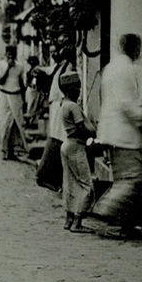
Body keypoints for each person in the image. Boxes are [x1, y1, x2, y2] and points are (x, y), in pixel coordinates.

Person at [93, 34, 142, 234]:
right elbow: (126, 103)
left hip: (111, 131)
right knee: (134, 178)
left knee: (123, 178)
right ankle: (105, 209)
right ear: (134, 49)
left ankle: (122, 224)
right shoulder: (126, 69)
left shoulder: (111, 67)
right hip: (124, 134)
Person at [58, 72, 96, 232]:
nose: (79, 90)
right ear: (70, 88)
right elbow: (81, 128)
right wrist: (93, 133)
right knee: (87, 185)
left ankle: (69, 219)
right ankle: (78, 222)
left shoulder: (64, 104)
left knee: (70, 184)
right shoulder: (73, 106)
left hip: (67, 145)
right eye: (77, 87)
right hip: (76, 146)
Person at [36, 45, 75, 190]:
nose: (53, 54)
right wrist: (40, 69)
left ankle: (51, 176)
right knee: (55, 138)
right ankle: (47, 176)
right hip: (55, 105)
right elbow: (49, 70)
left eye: (56, 51)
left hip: (61, 104)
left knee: (59, 140)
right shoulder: (60, 66)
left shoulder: (69, 67)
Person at [0, 44, 30, 161]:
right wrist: (8, 68)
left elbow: (21, 84)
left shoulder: (20, 66)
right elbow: (0, 81)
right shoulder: (0, 65)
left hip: (16, 95)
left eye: (13, 53)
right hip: (4, 95)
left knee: (17, 124)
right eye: (9, 53)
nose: (11, 56)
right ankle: (4, 150)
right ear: (6, 54)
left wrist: (24, 101)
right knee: (5, 122)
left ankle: (13, 150)